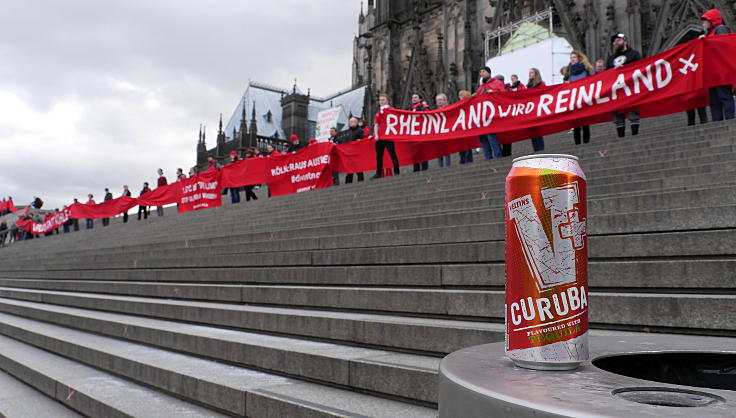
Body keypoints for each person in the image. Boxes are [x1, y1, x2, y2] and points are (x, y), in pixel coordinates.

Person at [701, 9, 734, 121]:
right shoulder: (708, 33)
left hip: (721, 73)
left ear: (711, 20)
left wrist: (706, 41)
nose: (703, 23)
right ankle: (717, 121)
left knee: (724, 96)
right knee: (714, 101)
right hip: (712, 74)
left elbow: (723, 44)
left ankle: (730, 119)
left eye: (705, 20)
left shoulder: (720, 29)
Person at [607, 33, 642, 137]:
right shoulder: (611, 58)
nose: (616, 43)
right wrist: (614, 70)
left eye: (618, 40)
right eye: (615, 41)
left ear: (625, 41)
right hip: (616, 90)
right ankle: (621, 137)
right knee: (617, 115)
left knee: (633, 113)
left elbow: (640, 67)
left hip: (631, 87)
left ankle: (635, 135)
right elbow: (606, 74)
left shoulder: (634, 54)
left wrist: (626, 68)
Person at [476, 66, 505, 160]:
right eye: (480, 72)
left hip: (493, 114)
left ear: (489, 73)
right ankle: (488, 158)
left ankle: (498, 156)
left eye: (483, 71)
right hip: (482, 116)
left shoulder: (497, 83)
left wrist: (492, 92)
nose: (481, 74)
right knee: (483, 138)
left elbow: (504, 95)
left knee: (491, 135)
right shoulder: (480, 87)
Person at [371, 93, 401, 179]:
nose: (381, 102)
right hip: (380, 137)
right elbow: (376, 124)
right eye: (380, 100)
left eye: (383, 100)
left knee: (392, 153)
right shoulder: (378, 113)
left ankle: (396, 170)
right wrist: (376, 135)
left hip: (388, 136)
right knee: (379, 156)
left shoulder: (391, 110)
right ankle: (378, 173)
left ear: (387, 100)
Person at [567, 51, 594, 144]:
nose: (572, 59)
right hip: (574, 100)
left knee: (585, 123)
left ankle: (586, 143)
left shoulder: (585, 69)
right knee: (576, 124)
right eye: (571, 58)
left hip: (584, 98)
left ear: (579, 58)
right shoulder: (569, 72)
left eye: (574, 57)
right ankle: (578, 144)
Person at [409, 93, 431, 172]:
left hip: (422, 132)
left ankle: (424, 169)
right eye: (412, 98)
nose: (414, 99)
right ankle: (416, 169)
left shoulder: (423, 108)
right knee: (415, 152)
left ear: (420, 99)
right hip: (413, 133)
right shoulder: (410, 109)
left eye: (415, 97)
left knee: (423, 151)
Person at [526, 68, 546, 151]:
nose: (530, 74)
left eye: (532, 73)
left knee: (538, 131)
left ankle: (540, 148)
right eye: (529, 73)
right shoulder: (528, 86)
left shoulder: (541, 84)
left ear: (536, 74)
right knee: (532, 131)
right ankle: (536, 149)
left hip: (538, 109)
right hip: (531, 110)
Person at [344, 117, 366, 183]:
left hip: (356, 153)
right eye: (350, 122)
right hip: (350, 153)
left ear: (356, 122)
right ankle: (348, 183)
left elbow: (362, 140)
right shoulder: (349, 131)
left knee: (358, 169)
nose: (351, 123)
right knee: (350, 169)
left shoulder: (359, 130)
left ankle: (360, 181)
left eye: (352, 122)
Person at [457, 90, 474, 164]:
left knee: (467, 146)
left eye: (461, 95)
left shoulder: (469, 104)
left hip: (468, 127)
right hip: (461, 128)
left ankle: (468, 160)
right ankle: (463, 160)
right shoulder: (458, 105)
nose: (459, 97)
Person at [435, 94, 452, 168]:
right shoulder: (435, 112)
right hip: (438, 133)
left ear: (445, 101)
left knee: (447, 151)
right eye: (438, 100)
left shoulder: (450, 109)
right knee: (439, 152)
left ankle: (448, 166)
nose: (439, 102)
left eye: (441, 100)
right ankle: (440, 167)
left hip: (447, 132)